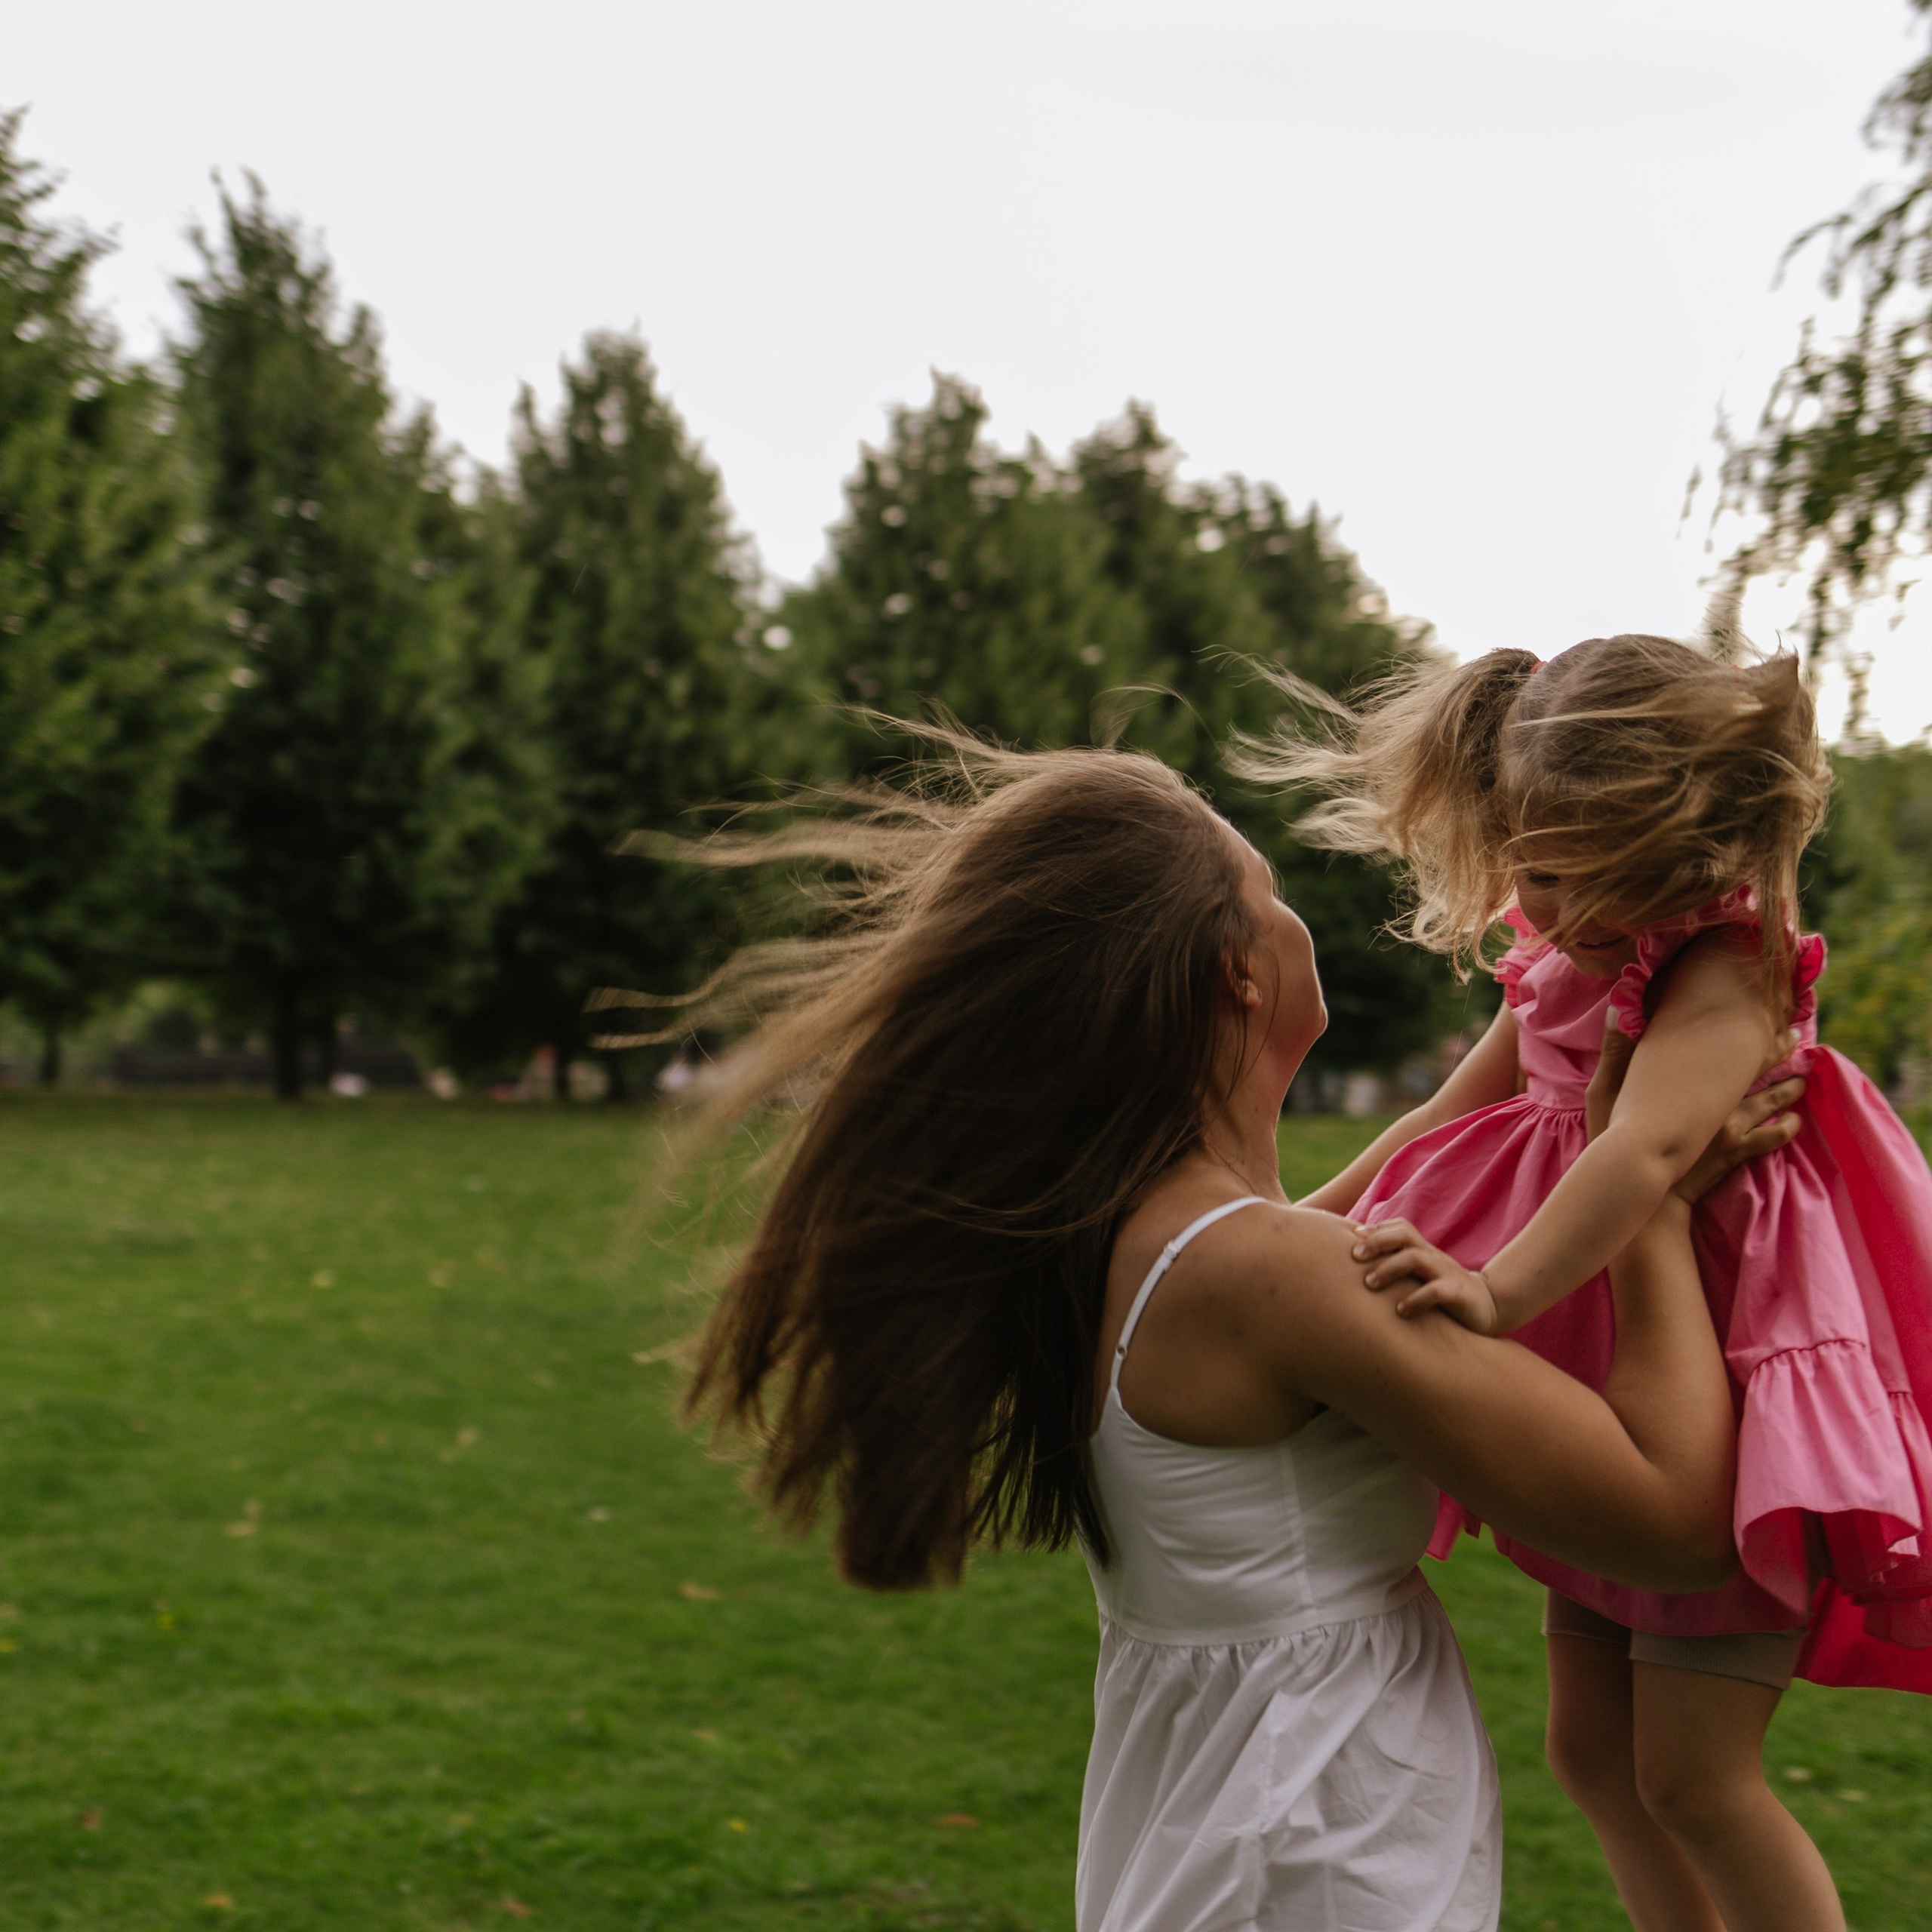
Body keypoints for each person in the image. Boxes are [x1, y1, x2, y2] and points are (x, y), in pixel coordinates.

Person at [622, 735, 1796, 1931]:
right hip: (1311, 1855)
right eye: (1268, 893)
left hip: (1226, 1826)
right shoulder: (1270, 1277)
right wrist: (1652, 1217)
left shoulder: (1129, 1235)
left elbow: (1377, 1178)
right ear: (1237, 973)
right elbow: (1673, 1526)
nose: (1293, 918)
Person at [1253, 634, 1932, 1932]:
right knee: (1593, 1756)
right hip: (1605, 1375)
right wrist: (1290, 1227)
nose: (1553, 906)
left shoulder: (1722, 971)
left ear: (1684, 849)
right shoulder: (1566, 957)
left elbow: (1643, 1153)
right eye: (1536, 869)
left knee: (1696, 1778)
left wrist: (1497, 1295)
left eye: (1587, 875)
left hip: (1722, 1387)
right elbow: (1443, 1116)